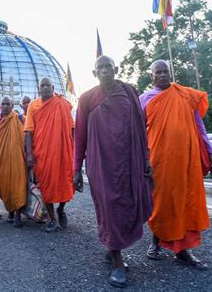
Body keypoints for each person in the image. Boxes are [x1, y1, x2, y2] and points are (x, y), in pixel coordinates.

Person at [74, 55, 153, 288]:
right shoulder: (87, 98)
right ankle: (118, 262)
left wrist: (146, 157)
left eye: (109, 67)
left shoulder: (129, 92)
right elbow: (80, 135)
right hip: (101, 163)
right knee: (108, 207)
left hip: (129, 161)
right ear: (94, 73)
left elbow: (140, 127)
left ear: (116, 69)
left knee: (128, 204)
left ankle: (112, 247)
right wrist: (76, 169)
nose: (105, 71)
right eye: (101, 68)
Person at [140, 60, 212, 270]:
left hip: (186, 159)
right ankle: (156, 242)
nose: (163, 75)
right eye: (158, 72)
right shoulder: (144, 100)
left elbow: (199, 126)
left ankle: (182, 251)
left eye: (166, 71)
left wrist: (210, 152)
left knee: (185, 200)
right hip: (159, 161)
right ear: (152, 76)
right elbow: (137, 133)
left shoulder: (184, 94)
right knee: (162, 202)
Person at [24, 77, 75, 232]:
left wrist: (72, 149)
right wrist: (29, 154)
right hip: (42, 153)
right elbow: (28, 132)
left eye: (48, 85)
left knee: (65, 182)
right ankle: (53, 219)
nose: (45, 88)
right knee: (45, 185)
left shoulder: (62, 104)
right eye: (42, 86)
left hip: (61, 152)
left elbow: (72, 128)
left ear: (53, 87)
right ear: (39, 88)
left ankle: (61, 209)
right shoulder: (33, 105)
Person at [0, 96, 27, 227]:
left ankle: (18, 215)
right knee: (4, 185)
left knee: (18, 184)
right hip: (1, 158)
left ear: (12, 105)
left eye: (8, 104)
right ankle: (10, 209)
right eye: (3, 104)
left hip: (18, 158)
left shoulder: (20, 119)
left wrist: (30, 156)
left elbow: (28, 137)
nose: (5, 106)